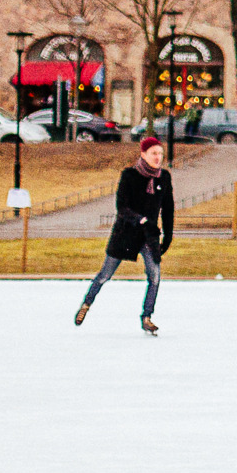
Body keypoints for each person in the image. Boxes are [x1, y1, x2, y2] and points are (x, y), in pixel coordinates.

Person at [76, 137, 174, 334]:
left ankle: (147, 317)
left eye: (161, 154)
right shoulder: (129, 175)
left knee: (154, 276)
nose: (158, 157)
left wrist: (168, 236)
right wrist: (140, 220)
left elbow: (168, 208)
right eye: (154, 153)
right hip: (126, 233)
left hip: (149, 235)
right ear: (143, 154)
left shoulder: (164, 177)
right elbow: (122, 208)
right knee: (105, 274)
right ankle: (86, 304)